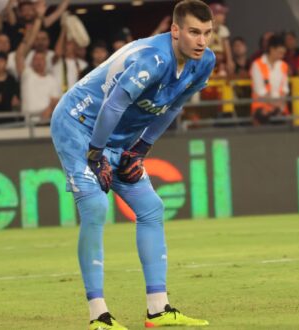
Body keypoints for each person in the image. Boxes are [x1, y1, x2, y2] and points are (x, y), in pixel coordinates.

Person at [49, 1, 214, 329]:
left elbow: (171, 109)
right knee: (96, 207)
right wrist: (95, 157)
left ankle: (158, 309)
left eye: (207, 33)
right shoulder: (151, 60)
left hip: (119, 137)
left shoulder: (203, 62)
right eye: (194, 32)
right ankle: (98, 315)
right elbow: (111, 106)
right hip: (78, 125)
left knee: (151, 208)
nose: (202, 41)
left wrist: (139, 151)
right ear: (175, 30)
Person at [250, 35, 290, 125]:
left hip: (280, 109)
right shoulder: (257, 65)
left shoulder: (283, 66)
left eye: (283, 53)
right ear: (272, 49)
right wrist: (274, 105)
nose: (282, 56)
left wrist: (280, 106)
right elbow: (260, 91)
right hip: (261, 110)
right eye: (280, 52)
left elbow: (285, 89)